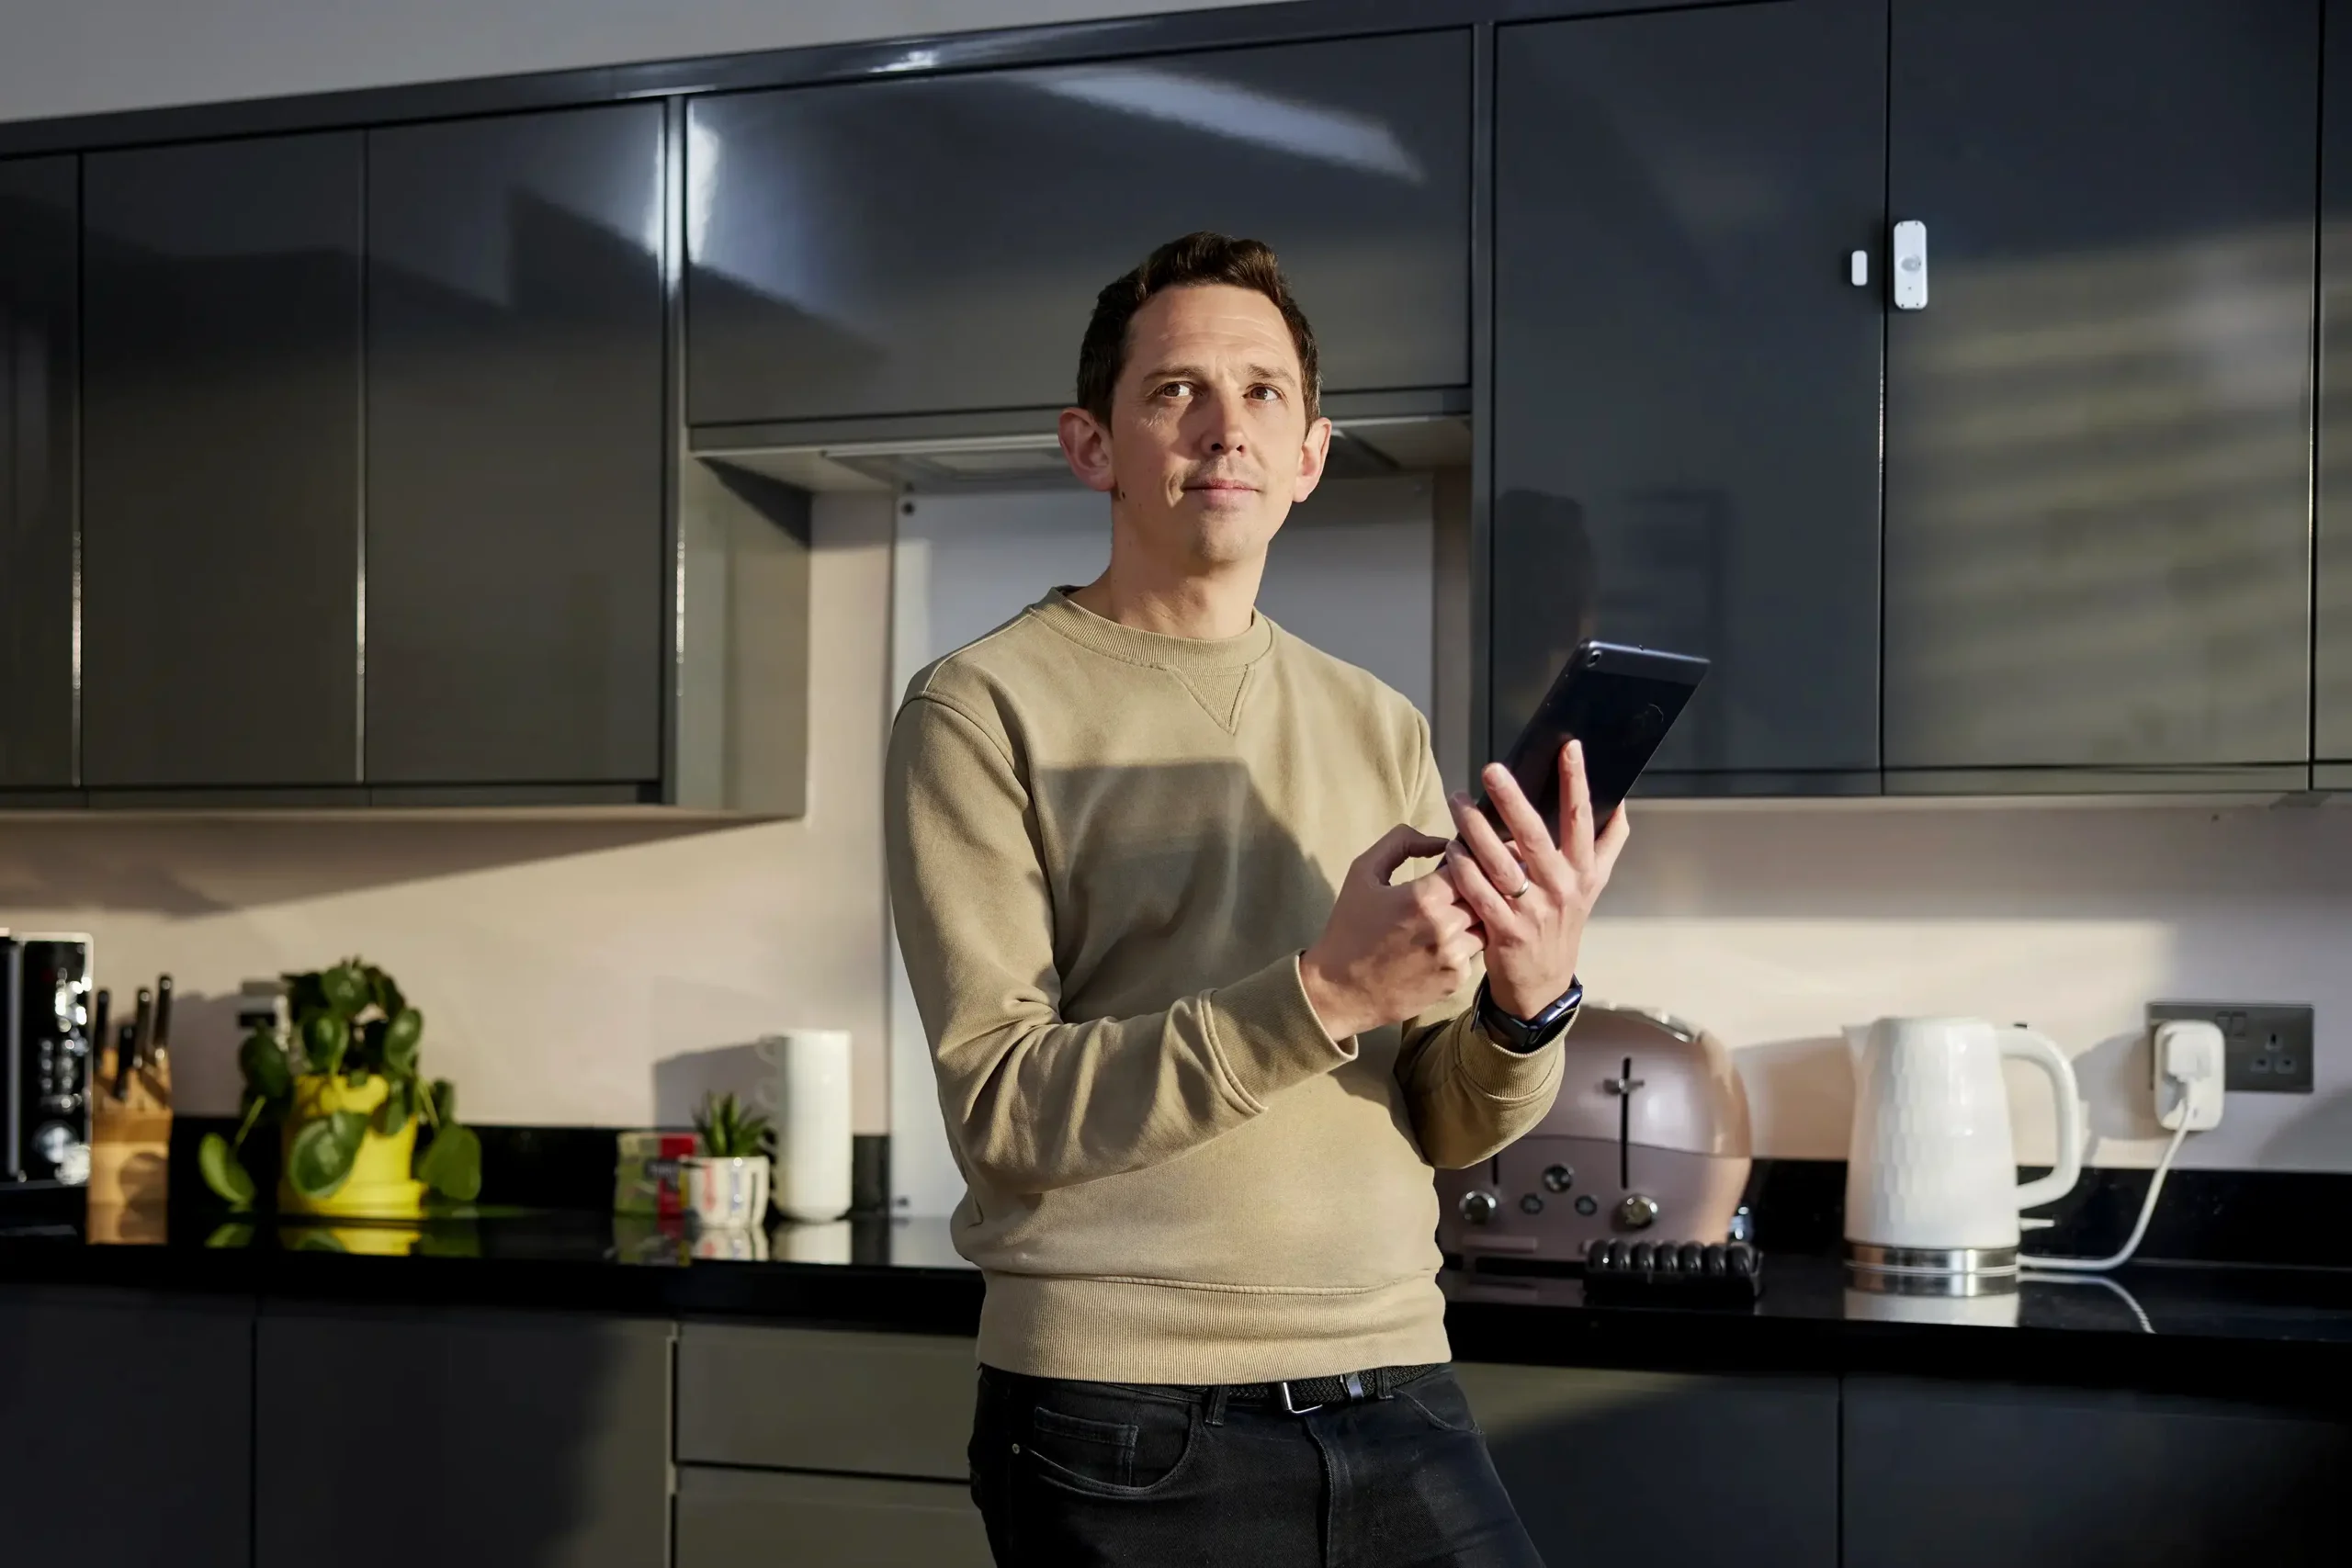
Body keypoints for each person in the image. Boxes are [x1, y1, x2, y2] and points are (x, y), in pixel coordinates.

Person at [885, 231, 1628, 1567]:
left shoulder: (1376, 720)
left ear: (1310, 457)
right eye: (1176, 390)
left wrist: (1529, 999)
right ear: (1093, 444)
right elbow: (1000, 1109)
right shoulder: (976, 709)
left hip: (1398, 1380)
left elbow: (1442, 1117)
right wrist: (1327, 989)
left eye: (1264, 392)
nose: (1225, 426)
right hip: (1125, 1423)